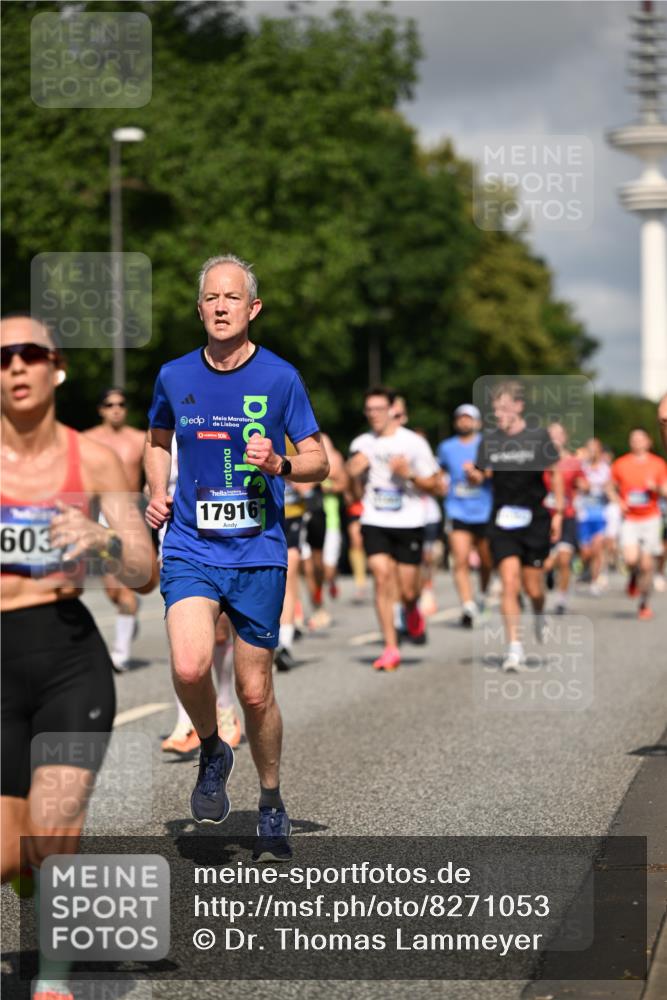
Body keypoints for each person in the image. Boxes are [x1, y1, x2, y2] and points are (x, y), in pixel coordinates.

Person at [144, 254, 328, 861]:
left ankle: (270, 798)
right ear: (199, 309)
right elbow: (157, 441)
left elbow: (318, 460)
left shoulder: (281, 378)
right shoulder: (173, 374)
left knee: (254, 692)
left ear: (253, 309)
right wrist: (156, 490)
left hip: (258, 550)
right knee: (192, 667)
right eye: (210, 298)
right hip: (193, 545)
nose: (221, 307)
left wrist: (279, 463)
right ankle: (210, 748)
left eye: (233, 298)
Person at [1, 315, 157, 1000]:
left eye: (29, 354)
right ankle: (27, 868)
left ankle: (53, 980)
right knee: (12, 854)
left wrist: (101, 538)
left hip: (67, 656)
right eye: (2, 357)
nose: (15, 366)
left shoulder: (93, 459)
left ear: (55, 367)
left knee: (56, 828)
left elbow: (145, 570)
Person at [467, 380, 563, 671]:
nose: (499, 413)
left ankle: (538, 611)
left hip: (534, 518)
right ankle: (514, 649)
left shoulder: (538, 437)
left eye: (505, 407)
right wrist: (473, 476)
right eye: (496, 408)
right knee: (509, 582)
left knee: (533, 588)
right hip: (502, 520)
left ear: (519, 407)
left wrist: (558, 511)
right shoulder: (490, 441)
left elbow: (555, 472)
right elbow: (481, 475)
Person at [347, 386, 440, 671]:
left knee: (408, 589)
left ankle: (412, 608)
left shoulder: (413, 443)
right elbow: (349, 487)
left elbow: (436, 485)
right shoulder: (362, 443)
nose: (374, 414)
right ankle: (390, 647)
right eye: (369, 410)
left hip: (409, 521)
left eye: (379, 409)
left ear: (391, 410)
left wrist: (408, 474)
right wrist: (352, 471)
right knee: (382, 576)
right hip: (375, 520)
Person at [84, 387, 147, 671]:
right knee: (112, 590)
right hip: (102, 518)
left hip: (131, 515)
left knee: (123, 588)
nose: (116, 409)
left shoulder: (138, 439)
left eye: (121, 404)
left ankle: (120, 654)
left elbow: (154, 475)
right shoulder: (88, 440)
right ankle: (129, 613)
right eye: (110, 404)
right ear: (101, 409)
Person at [437, 404, 493, 627]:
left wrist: (480, 474)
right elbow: (440, 471)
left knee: (487, 561)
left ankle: (482, 595)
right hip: (457, 509)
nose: (464, 421)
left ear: (477, 422)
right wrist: (440, 482)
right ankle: (467, 605)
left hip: (485, 510)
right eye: (460, 418)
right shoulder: (446, 447)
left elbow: (494, 471)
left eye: (468, 418)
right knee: (459, 559)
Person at [610, 428, 667, 620]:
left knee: (647, 565)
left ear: (648, 442)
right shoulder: (621, 463)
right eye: (633, 439)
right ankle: (633, 576)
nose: (637, 442)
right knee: (631, 559)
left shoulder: (658, 464)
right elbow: (609, 486)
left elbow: (666, 491)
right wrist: (619, 501)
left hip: (651, 518)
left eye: (641, 439)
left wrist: (656, 488)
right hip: (630, 519)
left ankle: (644, 603)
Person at [542, 422, 586, 614]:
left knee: (565, 559)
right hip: (543, 516)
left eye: (559, 434)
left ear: (565, 437)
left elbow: (584, 483)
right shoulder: (538, 460)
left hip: (567, 515)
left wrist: (583, 484)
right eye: (551, 434)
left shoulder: (573, 462)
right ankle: (548, 572)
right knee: (546, 561)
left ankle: (561, 598)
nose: (555, 437)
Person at [576, 438, 612, 595]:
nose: (592, 451)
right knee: (585, 552)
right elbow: (579, 485)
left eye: (595, 448)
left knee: (598, 548)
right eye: (589, 448)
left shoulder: (606, 468)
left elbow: (609, 487)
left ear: (600, 451)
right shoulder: (580, 467)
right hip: (582, 514)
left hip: (600, 513)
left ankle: (594, 580)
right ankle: (585, 568)